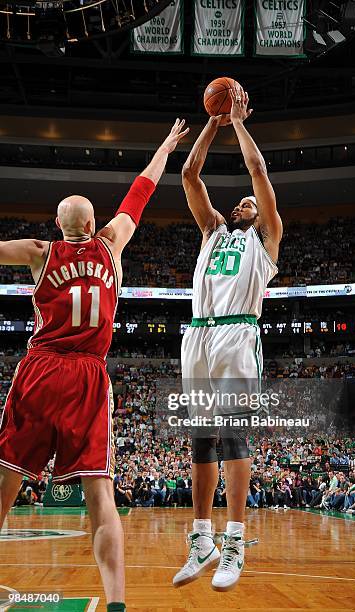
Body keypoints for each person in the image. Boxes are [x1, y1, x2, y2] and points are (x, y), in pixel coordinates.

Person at [0, 119, 188, 612]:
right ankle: (117, 604)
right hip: (88, 373)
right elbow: (141, 192)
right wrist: (165, 144)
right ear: (92, 224)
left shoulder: (39, 253)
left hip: (40, 368)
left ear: (57, 225)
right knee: (99, 495)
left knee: (5, 478)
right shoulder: (112, 242)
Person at [173, 86, 282, 591]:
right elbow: (189, 176)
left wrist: (238, 121)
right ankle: (202, 539)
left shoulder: (267, 241)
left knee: (234, 434)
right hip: (197, 334)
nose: (243, 202)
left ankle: (235, 541)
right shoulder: (212, 231)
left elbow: (258, 174)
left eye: (249, 203)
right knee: (200, 440)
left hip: (238, 333)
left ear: (260, 216)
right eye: (237, 201)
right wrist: (212, 125)